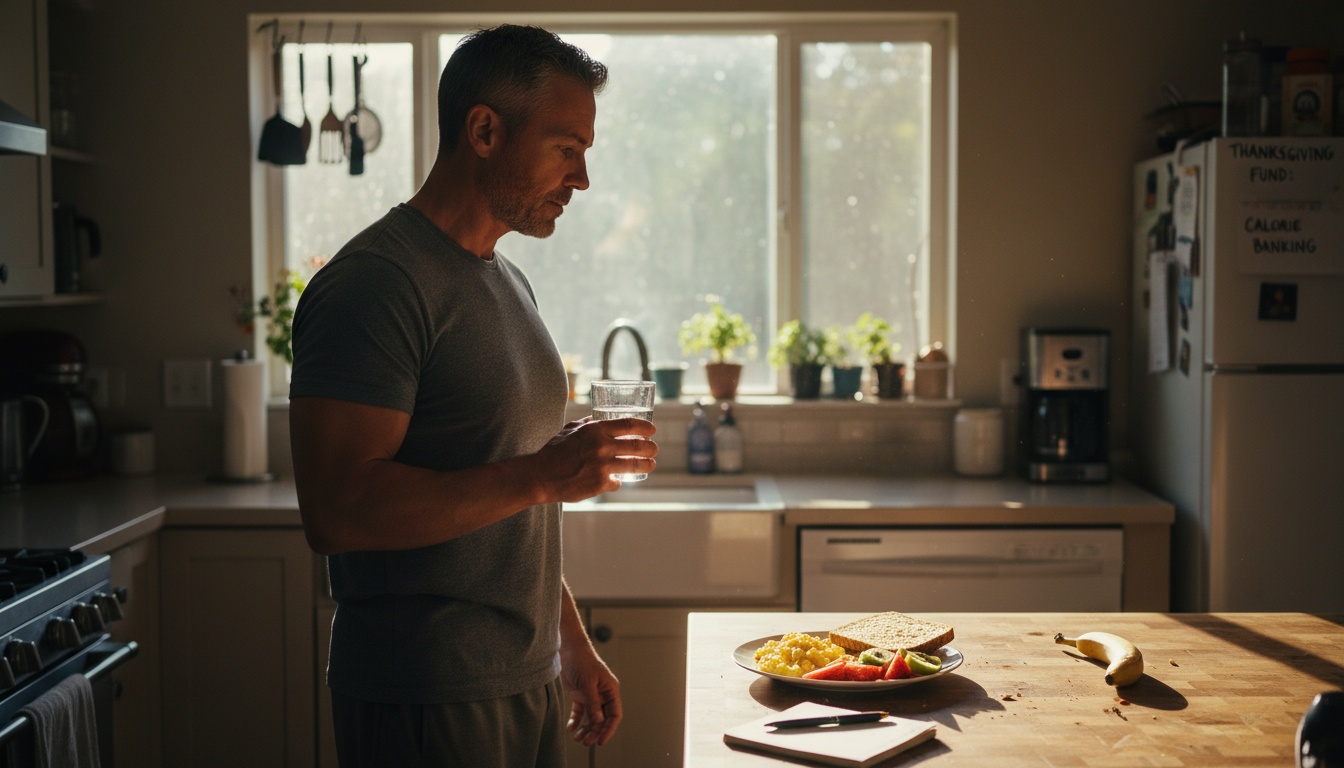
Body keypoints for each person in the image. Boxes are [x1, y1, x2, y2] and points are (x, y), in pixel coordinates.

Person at [288, 24, 658, 767]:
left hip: (524, 679)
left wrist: (570, 642)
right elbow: (336, 510)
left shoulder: (505, 278)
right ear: (485, 131)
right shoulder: (376, 285)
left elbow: (508, 493)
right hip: (426, 693)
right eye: (566, 149)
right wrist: (544, 473)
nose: (582, 180)